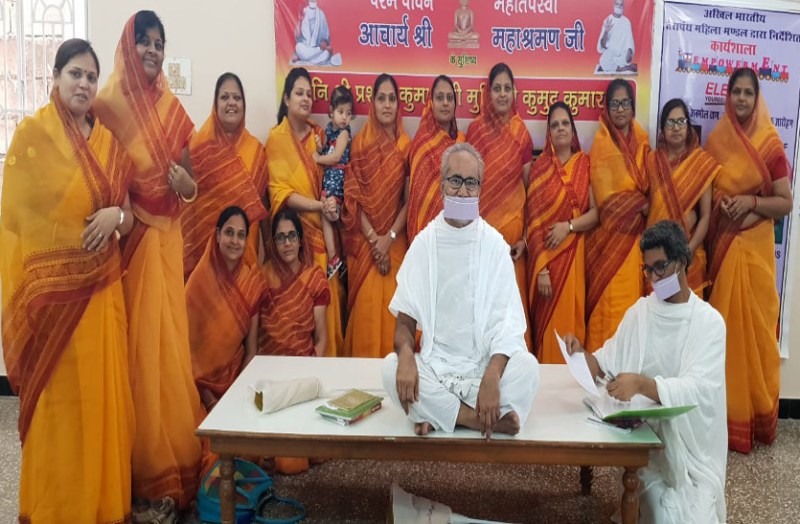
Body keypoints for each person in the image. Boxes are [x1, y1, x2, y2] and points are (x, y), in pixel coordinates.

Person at [1, 38, 134, 523]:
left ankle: (98, 507)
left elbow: (130, 218)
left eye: (91, 76)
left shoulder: (109, 144)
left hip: (101, 297)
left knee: (99, 402)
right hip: (54, 303)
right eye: (75, 73)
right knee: (60, 407)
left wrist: (116, 215)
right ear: (55, 78)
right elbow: (16, 220)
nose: (84, 83)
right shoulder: (33, 137)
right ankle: (57, 509)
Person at [94, 10, 208, 516]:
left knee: (166, 349)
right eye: (144, 41)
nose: (153, 51)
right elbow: (97, 173)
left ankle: (170, 459)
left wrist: (187, 187)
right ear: (128, 45)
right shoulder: (106, 106)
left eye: (159, 43)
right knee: (135, 352)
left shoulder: (171, 107)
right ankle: (134, 467)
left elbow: (189, 181)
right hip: (127, 243)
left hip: (166, 242)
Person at [564, 221, 727, 524]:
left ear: (681, 262)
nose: (653, 278)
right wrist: (578, 353)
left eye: (660, 267)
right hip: (646, 450)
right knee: (666, 517)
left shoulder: (709, 323)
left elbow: (700, 391)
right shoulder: (640, 313)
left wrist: (642, 384)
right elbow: (603, 364)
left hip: (692, 455)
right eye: (647, 270)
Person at [382, 143, 540, 438]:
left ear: (480, 189)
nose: (463, 191)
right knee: (391, 369)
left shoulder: (495, 245)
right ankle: (474, 418)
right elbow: (405, 323)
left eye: (471, 183)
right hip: (435, 368)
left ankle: (438, 414)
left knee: (528, 368)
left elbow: (508, 325)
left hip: (481, 368)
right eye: (455, 180)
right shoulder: (425, 243)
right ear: (442, 185)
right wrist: (405, 355)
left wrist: (492, 375)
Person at [705, 67, 793, 454]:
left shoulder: (770, 142)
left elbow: (785, 203)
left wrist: (751, 203)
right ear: (728, 95)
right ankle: (723, 420)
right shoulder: (716, 141)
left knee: (756, 335)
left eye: (748, 93)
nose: (741, 98)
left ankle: (756, 419)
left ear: (757, 98)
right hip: (725, 250)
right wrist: (726, 205)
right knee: (724, 333)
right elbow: (709, 194)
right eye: (736, 91)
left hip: (756, 251)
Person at [266, 67, 344, 357]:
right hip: (290, 244)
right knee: (293, 322)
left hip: (322, 242)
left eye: (309, 94)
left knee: (326, 321)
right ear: (286, 98)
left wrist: (331, 205)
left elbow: (333, 181)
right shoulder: (276, 140)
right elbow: (280, 194)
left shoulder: (319, 137)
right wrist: (318, 206)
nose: (306, 99)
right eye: (299, 93)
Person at [341, 73, 410, 358]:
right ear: (372, 102)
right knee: (366, 316)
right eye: (381, 98)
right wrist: (374, 240)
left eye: (392, 99)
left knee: (395, 316)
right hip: (365, 246)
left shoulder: (406, 146)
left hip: (396, 244)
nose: (387, 105)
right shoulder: (359, 144)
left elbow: (409, 202)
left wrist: (388, 239)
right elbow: (352, 198)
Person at [466, 63, 534, 348]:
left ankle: (514, 362)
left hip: (513, 245)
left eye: (507, 88)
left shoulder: (522, 134)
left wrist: (525, 239)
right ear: (488, 93)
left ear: (514, 92)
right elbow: (468, 187)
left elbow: (530, 191)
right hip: (482, 240)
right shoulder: (475, 131)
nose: (503, 94)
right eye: (497, 88)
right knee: (481, 310)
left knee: (511, 312)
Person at [526, 101, 598, 363]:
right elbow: (532, 222)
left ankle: (572, 382)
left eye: (565, 123)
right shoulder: (540, 168)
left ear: (573, 129)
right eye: (554, 125)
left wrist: (568, 227)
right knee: (550, 333)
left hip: (574, 260)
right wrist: (542, 270)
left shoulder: (585, 164)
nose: (560, 129)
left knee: (572, 327)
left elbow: (596, 214)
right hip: (547, 265)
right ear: (549, 132)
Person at [259, 208, 330, 475]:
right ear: (274, 243)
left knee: (306, 458)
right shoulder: (263, 277)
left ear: (300, 240)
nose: (287, 243)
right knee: (287, 462)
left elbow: (321, 338)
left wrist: (309, 376)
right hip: (272, 372)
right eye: (280, 237)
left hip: (303, 370)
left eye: (291, 236)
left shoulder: (314, 278)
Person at [182, 72, 268, 280]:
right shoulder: (198, 148)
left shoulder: (257, 152)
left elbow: (263, 207)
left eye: (237, 97)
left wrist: (269, 252)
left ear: (244, 105)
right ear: (215, 104)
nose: (231, 103)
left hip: (244, 258)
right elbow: (189, 206)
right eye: (224, 97)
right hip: (203, 257)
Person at [585, 78, 649, 351]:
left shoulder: (644, 143)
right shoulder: (600, 145)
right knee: (605, 311)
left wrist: (640, 204)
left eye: (625, 103)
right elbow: (604, 203)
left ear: (632, 107)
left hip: (634, 246)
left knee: (629, 313)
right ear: (607, 108)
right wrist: (634, 204)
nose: (620, 109)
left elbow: (651, 194)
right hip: (606, 244)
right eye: (614, 104)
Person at [187, 206, 266, 412]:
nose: (234, 241)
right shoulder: (199, 282)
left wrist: (236, 395)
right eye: (229, 232)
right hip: (195, 388)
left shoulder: (251, 285)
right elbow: (186, 351)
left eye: (241, 235)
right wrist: (209, 399)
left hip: (236, 384)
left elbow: (251, 351)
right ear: (218, 235)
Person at [646, 98, 719, 295]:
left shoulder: (701, 163)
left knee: (688, 311)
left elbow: (705, 216)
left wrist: (688, 250)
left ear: (688, 126)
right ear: (662, 129)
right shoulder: (652, 162)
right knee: (657, 311)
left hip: (689, 257)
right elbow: (648, 206)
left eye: (681, 121)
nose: (676, 128)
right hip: (656, 256)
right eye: (670, 122)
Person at [407, 75, 465, 245]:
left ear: (455, 104)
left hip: (456, 236)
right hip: (425, 236)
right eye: (440, 98)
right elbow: (415, 199)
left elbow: (467, 194)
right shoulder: (421, 144)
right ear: (431, 103)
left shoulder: (462, 142)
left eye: (450, 98)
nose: (445, 103)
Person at [314, 85, 354, 278]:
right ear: (331, 112)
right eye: (340, 112)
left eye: (348, 113)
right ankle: (337, 259)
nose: (344, 117)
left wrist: (317, 158)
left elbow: (336, 157)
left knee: (329, 212)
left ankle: (334, 258)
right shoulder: (329, 130)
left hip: (337, 181)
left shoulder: (344, 133)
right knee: (325, 214)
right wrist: (319, 146)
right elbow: (326, 150)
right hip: (327, 181)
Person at [293, 0, 342, 66]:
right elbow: (297, 36)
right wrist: (300, 20)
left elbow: (325, 33)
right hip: (305, 46)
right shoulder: (303, 11)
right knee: (298, 47)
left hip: (317, 45)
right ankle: (310, 55)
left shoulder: (321, 13)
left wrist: (324, 42)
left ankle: (303, 58)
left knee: (326, 54)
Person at [596, 0, 637, 73]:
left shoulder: (626, 22)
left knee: (626, 59)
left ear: (623, 7)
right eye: (617, 4)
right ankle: (624, 68)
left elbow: (629, 41)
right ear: (614, 5)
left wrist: (630, 50)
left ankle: (614, 67)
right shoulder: (608, 20)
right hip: (611, 52)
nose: (619, 6)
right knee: (603, 60)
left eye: (621, 5)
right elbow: (602, 45)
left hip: (622, 53)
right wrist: (606, 31)